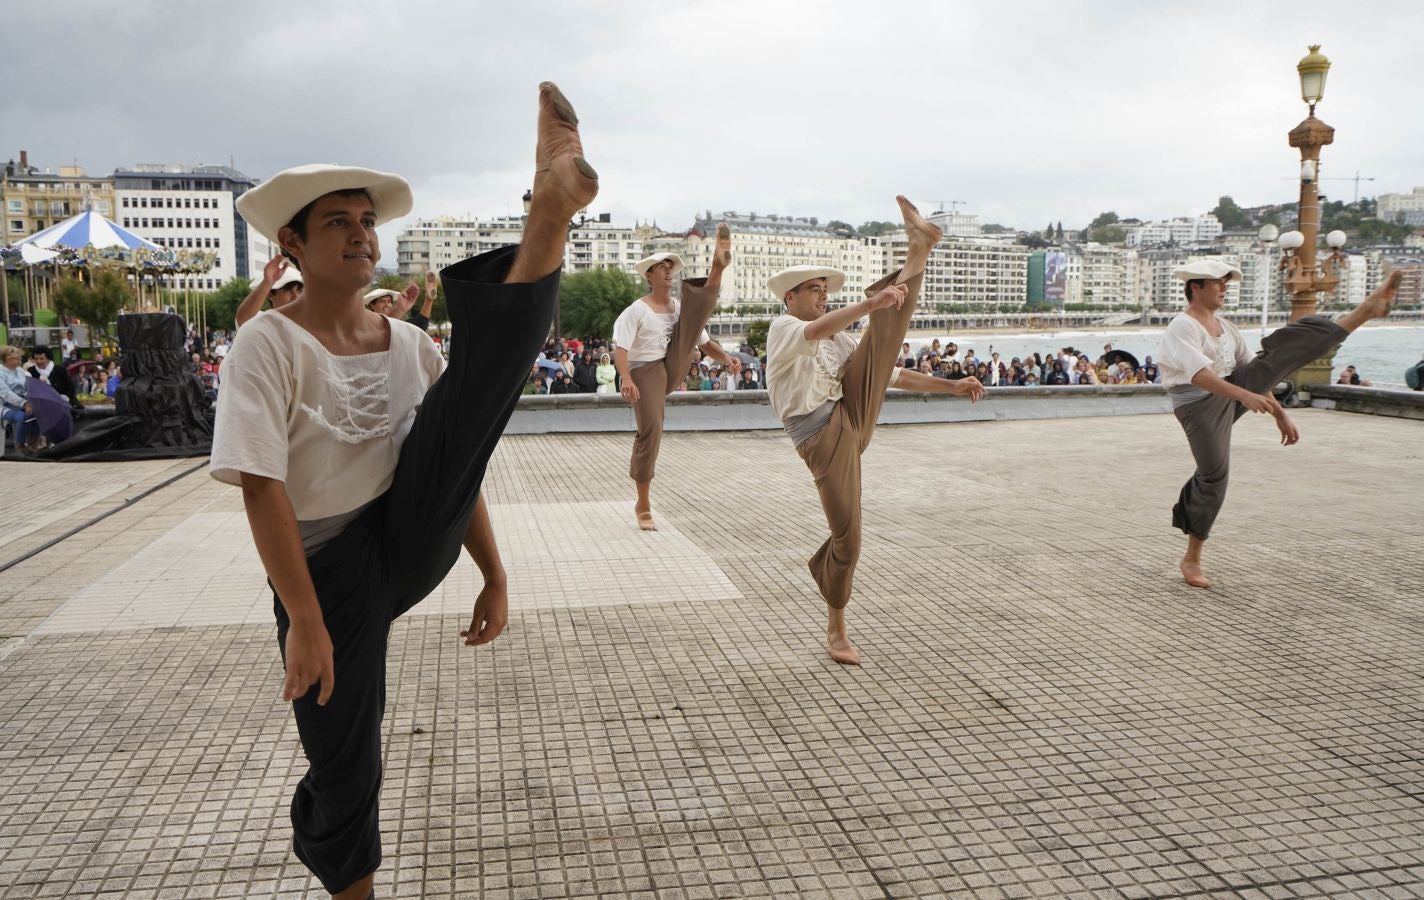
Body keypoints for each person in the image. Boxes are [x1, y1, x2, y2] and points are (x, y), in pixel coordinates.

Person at [210, 81, 598, 899]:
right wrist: (306, 623)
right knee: (346, 765)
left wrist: (494, 572)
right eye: (338, 223)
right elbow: (259, 487)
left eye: (366, 221)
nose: (360, 236)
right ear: (293, 243)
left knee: (472, 397)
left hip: (408, 533)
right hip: (325, 579)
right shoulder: (266, 345)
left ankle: (548, 213)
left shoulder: (411, 344)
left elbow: (455, 462)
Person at [765, 197, 984, 666]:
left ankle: (918, 252)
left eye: (826, 289)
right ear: (791, 298)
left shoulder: (837, 334)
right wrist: (870, 302)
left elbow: (891, 371)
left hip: (850, 414)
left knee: (880, 338)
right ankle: (836, 625)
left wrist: (950, 385)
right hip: (821, 435)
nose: (823, 295)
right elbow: (816, 330)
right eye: (814, 289)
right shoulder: (782, 328)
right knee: (849, 539)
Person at [1158, 261, 1402, 590]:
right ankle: (1192, 558)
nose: (1224, 287)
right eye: (1217, 282)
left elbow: (1261, 372)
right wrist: (1245, 395)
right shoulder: (1182, 326)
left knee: (1279, 356)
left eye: (1225, 282)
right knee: (1214, 474)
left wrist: (1280, 413)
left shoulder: (1225, 326)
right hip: (1198, 406)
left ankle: (1363, 311)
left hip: (1231, 392)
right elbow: (1199, 375)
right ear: (1196, 287)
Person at [612, 227, 739, 531]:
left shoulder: (679, 308)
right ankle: (643, 502)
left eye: (670, 267)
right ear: (649, 276)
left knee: (694, 318)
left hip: (674, 361)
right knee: (652, 430)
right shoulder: (636, 311)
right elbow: (620, 350)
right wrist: (626, 378)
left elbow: (705, 343)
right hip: (645, 371)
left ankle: (717, 268)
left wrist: (727, 358)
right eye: (661, 268)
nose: (668, 271)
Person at [236, 257, 305, 328]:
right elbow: (243, 320)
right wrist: (268, 282)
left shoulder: (308, 322)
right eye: (288, 291)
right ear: (270, 294)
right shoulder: (263, 321)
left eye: (299, 291)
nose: (295, 297)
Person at [1, 345, 37, 453]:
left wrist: (30, 400)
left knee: (38, 414)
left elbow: (29, 389)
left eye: (20, 358)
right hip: (4, 405)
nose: (20, 360)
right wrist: (24, 403)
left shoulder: (22, 372)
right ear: (7, 359)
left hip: (22, 402)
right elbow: (6, 394)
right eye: (17, 358)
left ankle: (33, 442)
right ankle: (19, 446)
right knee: (22, 417)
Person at [26, 345, 80, 411]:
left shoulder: (60, 370)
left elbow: (70, 388)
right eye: (36, 359)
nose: (38, 362)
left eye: (41, 358)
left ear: (48, 358)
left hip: (62, 404)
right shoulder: (31, 371)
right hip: (40, 406)